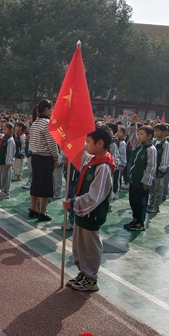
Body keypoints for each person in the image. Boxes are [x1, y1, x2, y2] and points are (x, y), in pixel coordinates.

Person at [62, 124, 115, 292]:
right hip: (82, 213)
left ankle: (91, 277)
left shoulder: (103, 167)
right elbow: (79, 154)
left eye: (88, 141)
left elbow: (95, 196)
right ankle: (84, 273)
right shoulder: (93, 160)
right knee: (80, 244)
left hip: (92, 214)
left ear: (100, 143)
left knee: (90, 246)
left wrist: (74, 202)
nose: (85, 144)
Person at [28, 99, 59, 221]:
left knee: (35, 183)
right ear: (46, 109)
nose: (53, 111)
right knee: (45, 185)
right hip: (45, 157)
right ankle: (42, 212)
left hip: (35, 156)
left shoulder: (35, 122)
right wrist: (56, 157)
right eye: (52, 108)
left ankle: (33, 209)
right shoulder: (47, 123)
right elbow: (52, 143)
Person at [124, 115, 157, 231]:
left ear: (149, 136)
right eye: (139, 133)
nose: (138, 136)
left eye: (142, 134)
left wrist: (146, 181)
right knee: (133, 201)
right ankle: (135, 219)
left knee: (141, 203)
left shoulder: (151, 149)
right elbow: (131, 135)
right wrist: (133, 125)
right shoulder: (138, 146)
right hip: (134, 180)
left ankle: (140, 223)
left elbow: (151, 167)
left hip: (142, 182)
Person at [147, 123, 169, 214]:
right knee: (151, 188)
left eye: (158, 131)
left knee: (158, 189)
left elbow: (165, 158)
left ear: (164, 132)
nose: (156, 133)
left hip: (159, 171)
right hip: (152, 170)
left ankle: (156, 206)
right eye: (155, 131)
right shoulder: (154, 142)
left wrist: (162, 170)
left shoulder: (165, 144)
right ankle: (151, 203)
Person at [0, 121, 15, 199]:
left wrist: (8, 163)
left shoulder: (10, 140)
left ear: (11, 130)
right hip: (1, 161)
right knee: (0, 177)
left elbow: (10, 152)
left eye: (6, 129)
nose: (4, 131)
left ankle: (6, 192)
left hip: (6, 163)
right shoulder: (3, 137)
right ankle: (2, 191)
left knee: (5, 177)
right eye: (3, 129)